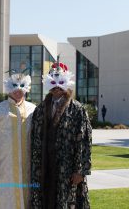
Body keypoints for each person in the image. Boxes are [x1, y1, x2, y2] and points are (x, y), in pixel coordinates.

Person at [30, 60, 92, 209]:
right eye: (53, 83)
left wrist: (80, 171)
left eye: (60, 83)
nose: (56, 87)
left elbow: (84, 141)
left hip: (67, 168)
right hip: (44, 166)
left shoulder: (77, 110)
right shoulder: (40, 109)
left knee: (66, 201)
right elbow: (33, 140)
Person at [0, 72, 36, 209]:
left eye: (22, 87)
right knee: (4, 198)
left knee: (27, 197)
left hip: (27, 165)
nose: (18, 91)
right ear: (8, 88)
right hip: (4, 166)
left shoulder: (33, 110)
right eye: (15, 87)